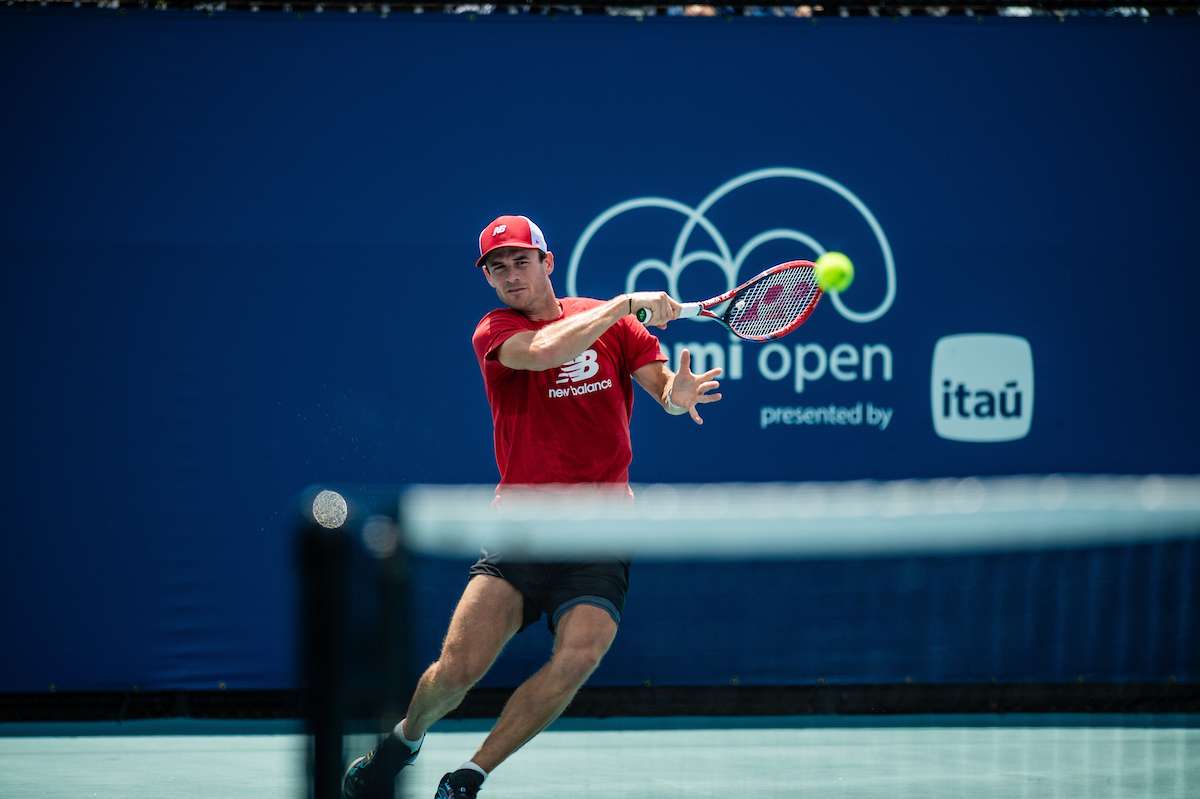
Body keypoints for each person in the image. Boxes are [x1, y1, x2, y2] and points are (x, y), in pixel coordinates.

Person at [343, 214, 723, 799]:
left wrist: (679, 395)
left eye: (522, 260)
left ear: (548, 263)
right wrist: (623, 304)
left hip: (602, 529)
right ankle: (406, 739)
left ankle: (470, 774)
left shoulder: (617, 327)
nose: (510, 274)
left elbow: (663, 389)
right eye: (498, 267)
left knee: (579, 657)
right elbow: (545, 351)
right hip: (521, 527)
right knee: (458, 670)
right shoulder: (493, 331)